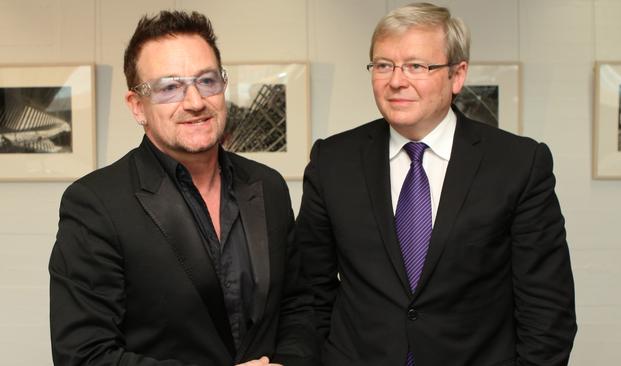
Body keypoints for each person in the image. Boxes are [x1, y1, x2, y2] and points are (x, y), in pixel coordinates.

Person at [295, 3, 577, 366]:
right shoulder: (332, 161)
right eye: (383, 65)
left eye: (416, 66)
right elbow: (309, 292)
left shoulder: (518, 164)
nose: (396, 80)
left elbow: (547, 309)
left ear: (457, 75)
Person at [49, 10, 318, 366]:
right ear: (137, 106)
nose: (194, 102)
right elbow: (84, 355)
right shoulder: (96, 204)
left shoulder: (267, 186)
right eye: (169, 87)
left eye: (207, 81)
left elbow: (298, 305)